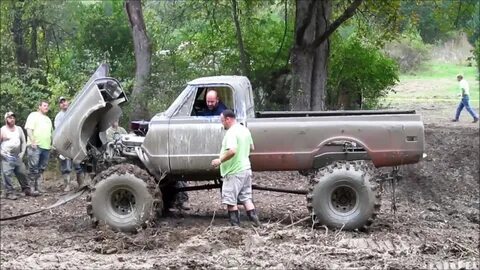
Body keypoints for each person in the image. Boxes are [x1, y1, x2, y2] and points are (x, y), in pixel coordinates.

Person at [211, 109, 261, 226]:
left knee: (230, 201)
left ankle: (235, 229)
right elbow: (252, 147)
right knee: (246, 198)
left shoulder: (231, 132)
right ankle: (257, 224)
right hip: (246, 169)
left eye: (222, 121)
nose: (222, 123)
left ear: (228, 119)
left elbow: (232, 151)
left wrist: (219, 160)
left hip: (234, 171)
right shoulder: (244, 130)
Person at [1, 112, 39, 199]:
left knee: (22, 172)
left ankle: (26, 190)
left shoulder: (18, 129)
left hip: (17, 156)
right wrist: (2, 154)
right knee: (7, 174)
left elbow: (23, 141)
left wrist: (22, 153)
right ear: (6, 119)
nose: (12, 119)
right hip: (6, 156)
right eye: (10, 118)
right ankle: (9, 192)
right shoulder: (2, 130)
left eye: (13, 117)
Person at [54, 96, 84, 192]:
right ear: (60, 105)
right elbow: (58, 130)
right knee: (66, 164)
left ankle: (81, 184)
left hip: (76, 141)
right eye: (61, 102)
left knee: (78, 162)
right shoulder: (58, 117)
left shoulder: (75, 112)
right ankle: (67, 185)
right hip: (65, 141)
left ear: (68, 102)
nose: (63, 103)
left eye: (65, 101)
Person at [25, 100, 53, 193]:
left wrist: (52, 144)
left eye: (47, 106)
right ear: (39, 106)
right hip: (35, 145)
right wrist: (32, 140)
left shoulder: (48, 119)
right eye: (44, 105)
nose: (46, 107)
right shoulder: (33, 115)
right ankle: (31, 188)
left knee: (41, 168)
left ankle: (38, 186)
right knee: (33, 167)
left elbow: (51, 133)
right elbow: (29, 129)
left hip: (46, 147)